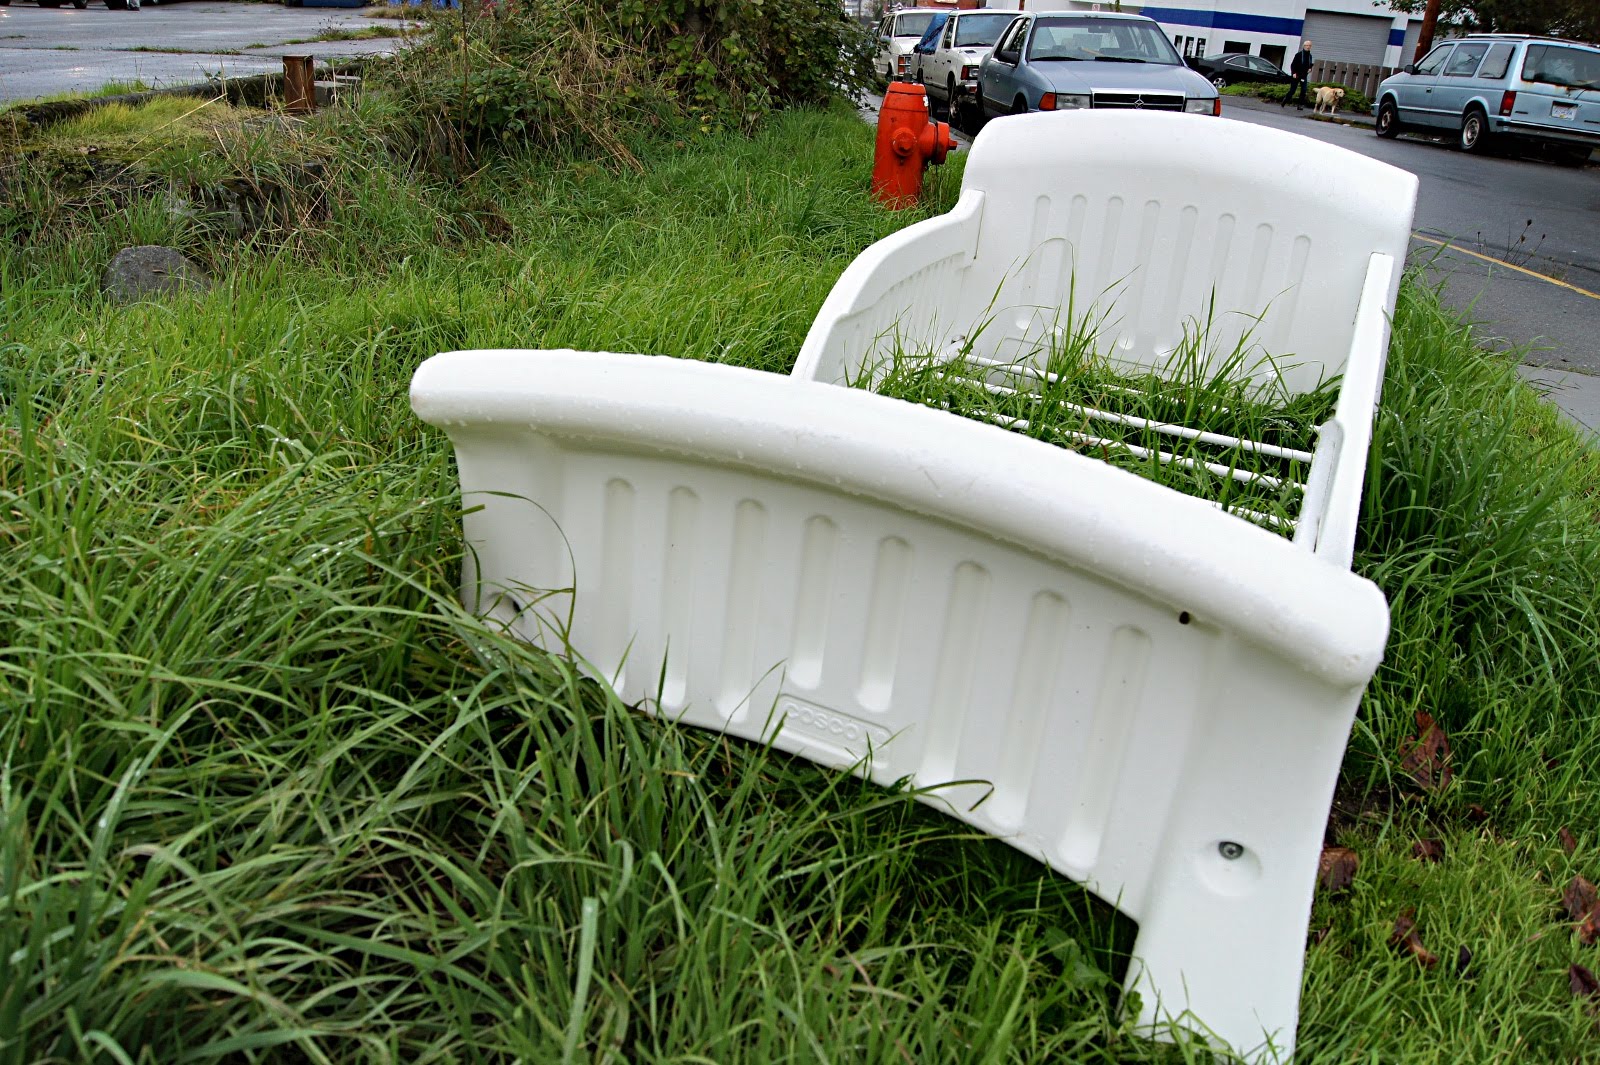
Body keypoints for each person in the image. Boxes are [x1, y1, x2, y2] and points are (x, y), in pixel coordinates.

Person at [1283, 39, 1313, 108]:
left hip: (1304, 75)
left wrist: (1310, 68)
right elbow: (1293, 65)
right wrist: (1293, 73)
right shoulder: (1298, 55)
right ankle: (1285, 100)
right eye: (1307, 45)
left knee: (1304, 90)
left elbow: (1310, 64)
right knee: (1293, 90)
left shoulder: (1310, 56)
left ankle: (1300, 105)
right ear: (1304, 46)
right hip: (1296, 75)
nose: (1308, 47)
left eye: (1309, 45)